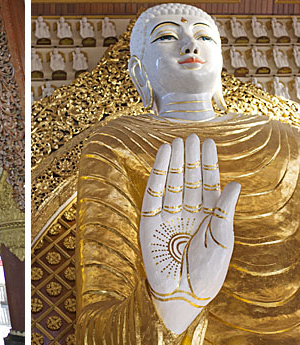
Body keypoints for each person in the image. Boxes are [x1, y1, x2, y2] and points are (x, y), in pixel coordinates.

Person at [77, 4, 300, 343]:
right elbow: (95, 330)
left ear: (221, 62)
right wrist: (174, 304)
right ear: (138, 72)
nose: (189, 46)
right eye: (167, 36)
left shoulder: (286, 140)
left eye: (204, 37)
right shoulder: (116, 143)